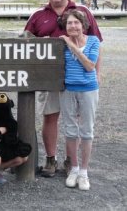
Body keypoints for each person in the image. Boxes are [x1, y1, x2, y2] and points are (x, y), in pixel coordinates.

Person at [23, 0, 102, 178]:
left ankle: (71, 162)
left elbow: (96, 43)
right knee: (50, 117)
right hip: (48, 77)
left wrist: (97, 73)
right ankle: (51, 159)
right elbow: (25, 42)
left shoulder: (82, 11)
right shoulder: (38, 14)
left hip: (77, 78)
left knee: (74, 120)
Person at [59, 10, 100, 191]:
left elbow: (90, 66)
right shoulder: (61, 43)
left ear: (83, 25)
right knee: (70, 130)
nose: (73, 26)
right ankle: (74, 168)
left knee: (87, 131)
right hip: (68, 89)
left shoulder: (93, 41)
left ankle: (84, 172)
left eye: (76, 23)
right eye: (69, 23)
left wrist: (70, 44)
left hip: (88, 90)